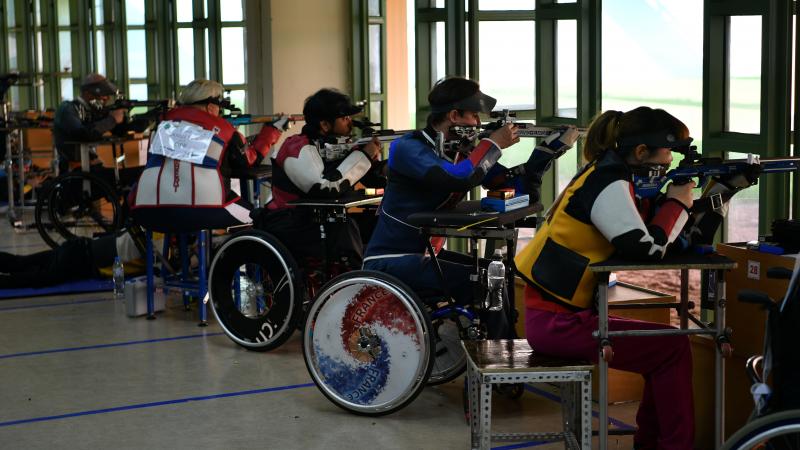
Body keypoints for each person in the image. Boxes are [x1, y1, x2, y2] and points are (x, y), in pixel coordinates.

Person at [515, 106, 759, 449]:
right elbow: (646, 249)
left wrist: (722, 191)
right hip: (557, 323)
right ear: (641, 152)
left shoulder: (611, 175)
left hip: (565, 315)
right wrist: (677, 202)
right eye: (667, 154)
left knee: (668, 346)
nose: (670, 163)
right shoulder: (608, 182)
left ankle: (653, 443)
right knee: (671, 347)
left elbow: (687, 240)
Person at [362, 76, 579, 339]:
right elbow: (457, 177)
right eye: (474, 116)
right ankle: (498, 356)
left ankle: (501, 345)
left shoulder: (459, 152)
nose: (478, 123)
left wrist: (546, 153)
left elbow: (508, 183)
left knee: (495, 271)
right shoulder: (407, 148)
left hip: (425, 253)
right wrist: (493, 143)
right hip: (390, 260)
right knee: (488, 280)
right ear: (454, 115)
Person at [252, 88, 385, 269]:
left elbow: (370, 176)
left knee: (379, 219)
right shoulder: (296, 148)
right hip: (291, 222)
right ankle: (355, 284)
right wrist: (364, 156)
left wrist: (386, 167)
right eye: (344, 118)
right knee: (344, 228)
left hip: (322, 219)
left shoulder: (339, 144)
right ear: (324, 125)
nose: (350, 123)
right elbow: (326, 188)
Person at [129, 79, 282, 233]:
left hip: (148, 210)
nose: (220, 112)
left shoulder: (161, 125)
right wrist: (272, 131)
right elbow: (250, 160)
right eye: (220, 107)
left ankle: (184, 249)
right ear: (210, 107)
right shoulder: (225, 129)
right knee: (259, 218)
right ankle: (225, 255)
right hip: (206, 210)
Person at [52, 73, 143, 185]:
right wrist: (112, 120)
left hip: (93, 168)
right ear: (87, 94)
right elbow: (83, 134)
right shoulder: (67, 109)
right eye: (103, 95)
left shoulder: (95, 110)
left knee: (139, 173)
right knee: (137, 174)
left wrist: (148, 118)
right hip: (77, 171)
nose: (107, 98)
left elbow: (121, 131)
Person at [0, 227, 152, 289]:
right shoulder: (152, 248)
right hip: (82, 260)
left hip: (79, 246)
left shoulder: (146, 228)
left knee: (22, 262)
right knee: (37, 278)